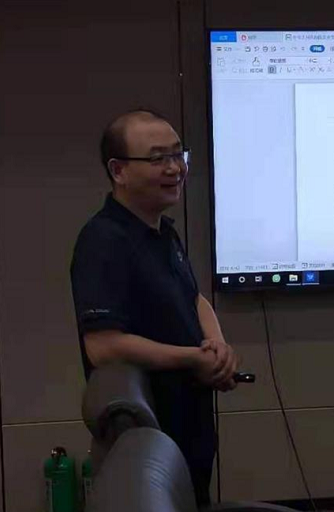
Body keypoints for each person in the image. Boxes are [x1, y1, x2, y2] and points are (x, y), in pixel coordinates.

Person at [70, 109, 238, 505]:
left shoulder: (163, 232)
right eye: (158, 158)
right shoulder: (103, 241)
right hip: (152, 442)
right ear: (119, 171)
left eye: (178, 154)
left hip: (189, 431)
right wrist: (193, 358)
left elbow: (193, 298)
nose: (175, 168)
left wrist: (216, 346)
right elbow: (103, 346)